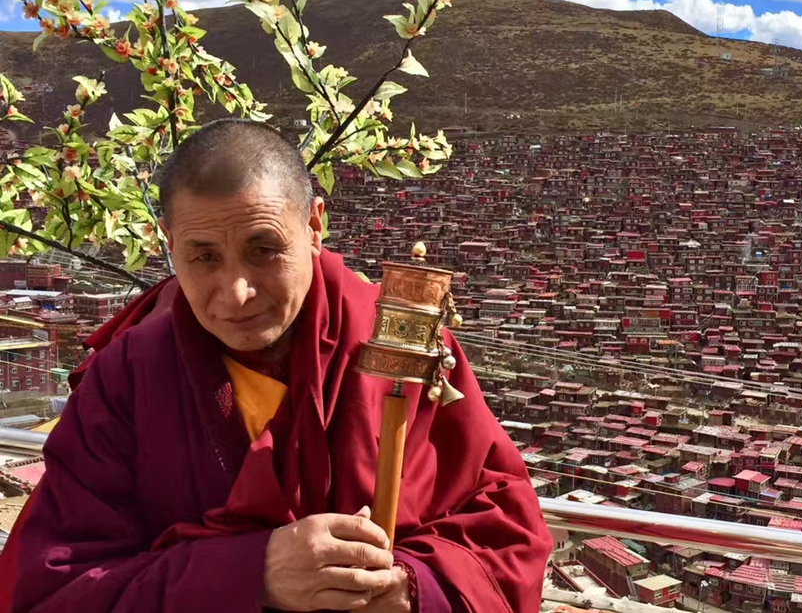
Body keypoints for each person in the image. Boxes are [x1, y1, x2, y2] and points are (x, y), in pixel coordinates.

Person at [4, 120, 552, 612]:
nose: (236, 294)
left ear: (314, 225)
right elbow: (54, 586)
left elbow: (504, 528)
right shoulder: (128, 375)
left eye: (264, 249)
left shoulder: (404, 345)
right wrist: (251, 574)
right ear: (169, 244)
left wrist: (413, 589)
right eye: (203, 256)